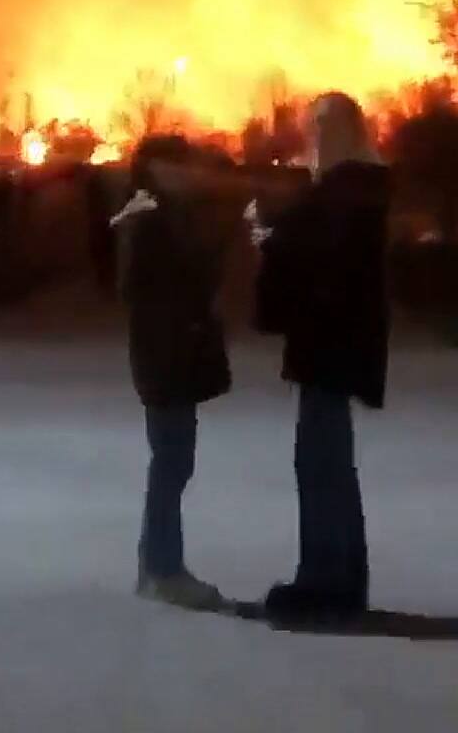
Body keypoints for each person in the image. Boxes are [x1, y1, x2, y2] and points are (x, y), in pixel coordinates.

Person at [253, 92, 390, 623]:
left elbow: (322, 263)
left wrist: (272, 240)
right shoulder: (355, 188)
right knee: (328, 464)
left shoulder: (345, 192)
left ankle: (326, 583)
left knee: (321, 465)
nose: (315, 135)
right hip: (336, 346)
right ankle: (340, 579)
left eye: (323, 126)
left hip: (330, 347)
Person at [112, 134, 233, 611]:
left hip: (167, 354)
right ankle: (163, 569)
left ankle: (156, 565)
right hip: (166, 356)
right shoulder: (152, 220)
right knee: (172, 462)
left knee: (172, 462)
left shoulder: (158, 214)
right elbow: (159, 287)